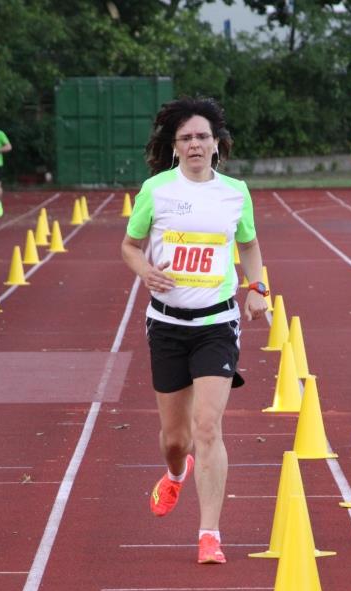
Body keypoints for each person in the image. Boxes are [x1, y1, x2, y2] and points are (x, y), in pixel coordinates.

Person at [120, 97, 268, 565]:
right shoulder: (156, 191)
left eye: (203, 136)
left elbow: (249, 245)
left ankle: (209, 535)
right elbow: (128, 246)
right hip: (166, 323)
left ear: (216, 143)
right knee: (175, 439)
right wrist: (145, 269)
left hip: (216, 323)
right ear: (174, 147)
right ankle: (175, 474)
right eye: (186, 138)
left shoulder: (235, 192)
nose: (195, 144)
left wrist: (258, 287)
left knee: (208, 427)